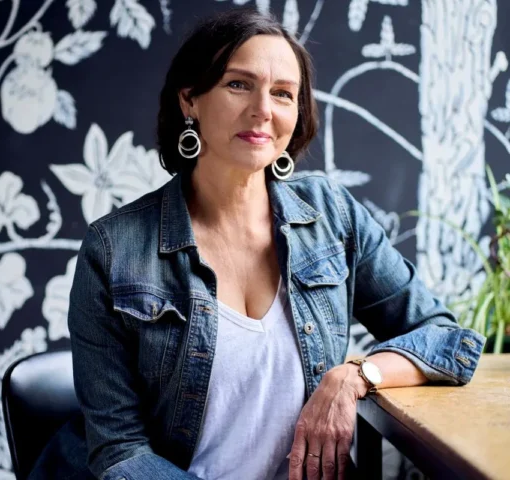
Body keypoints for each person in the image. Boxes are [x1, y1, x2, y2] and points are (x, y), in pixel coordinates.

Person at [33, 7, 486, 480]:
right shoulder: (114, 249)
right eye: (238, 84)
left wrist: (354, 375)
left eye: (283, 94)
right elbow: (120, 452)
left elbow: (444, 337)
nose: (263, 110)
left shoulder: (332, 216)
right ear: (190, 100)